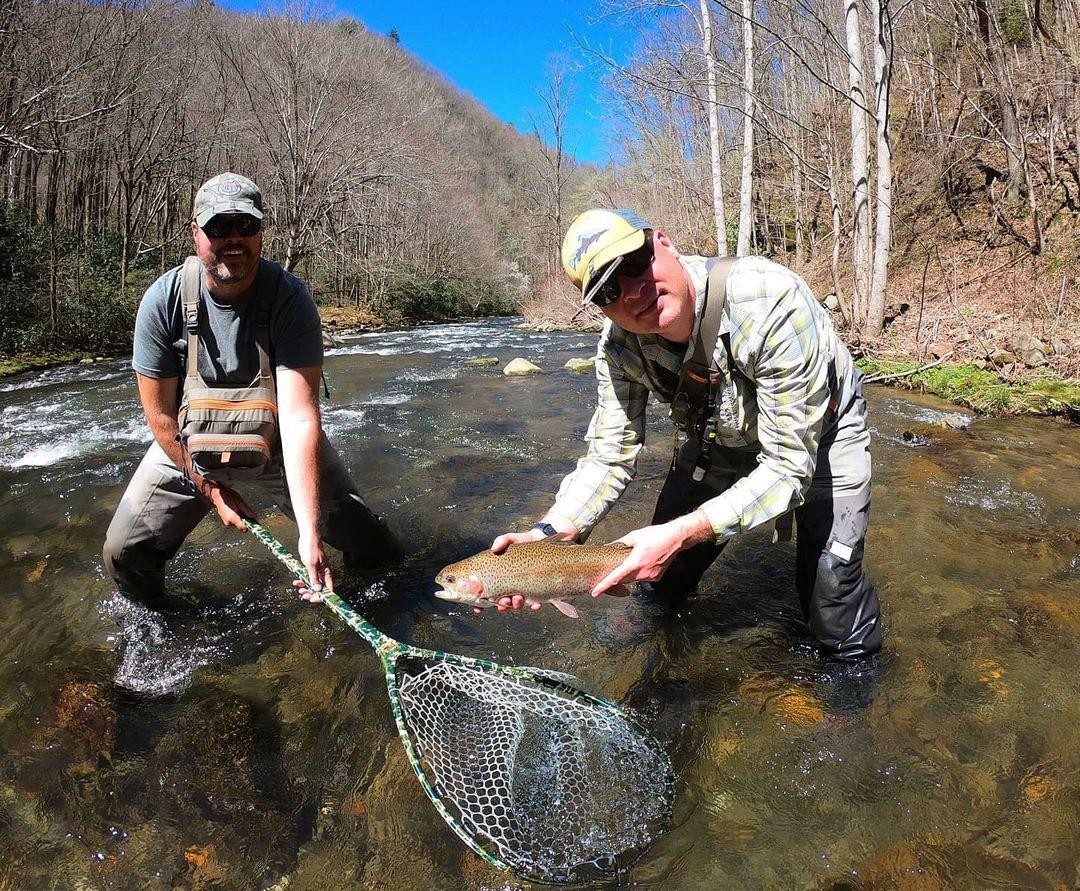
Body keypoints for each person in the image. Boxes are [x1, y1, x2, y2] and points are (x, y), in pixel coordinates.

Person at [486, 208, 882, 659]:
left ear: (665, 243)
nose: (633, 292)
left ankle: (848, 704)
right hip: (719, 439)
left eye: (635, 264)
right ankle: (659, 642)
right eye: (609, 290)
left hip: (823, 434)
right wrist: (548, 536)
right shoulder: (619, 348)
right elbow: (609, 456)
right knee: (658, 578)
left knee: (832, 593)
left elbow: (790, 465)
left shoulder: (770, 300)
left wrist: (683, 531)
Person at [103, 172, 401, 608]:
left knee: (379, 551)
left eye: (246, 226)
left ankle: (365, 600)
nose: (233, 238)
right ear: (195, 233)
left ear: (263, 232)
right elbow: (162, 420)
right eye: (219, 227)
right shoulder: (162, 301)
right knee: (122, 554)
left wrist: (308, 533)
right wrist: (212, 490)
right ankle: (173, 619)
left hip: (277, 443)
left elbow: (300, 419)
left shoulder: (290, 300)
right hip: (187, 444)